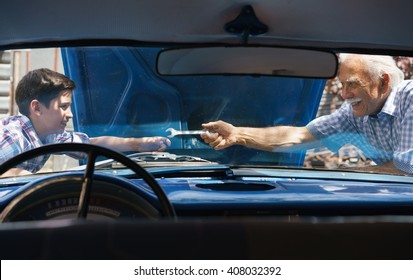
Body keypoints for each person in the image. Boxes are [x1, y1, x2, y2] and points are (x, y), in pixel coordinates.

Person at [201, 54, 413, 175]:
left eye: (353, 85)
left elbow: (407, 167)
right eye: (342, 85)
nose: (344, 94)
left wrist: (352, 173)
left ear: (383, 81)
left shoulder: (410, 97)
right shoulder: (355, 113)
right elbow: (300, 137)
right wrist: (238, 134)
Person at [0, 68, 171, 176]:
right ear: (37, 108)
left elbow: (90, 144)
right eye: (64, 106)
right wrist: (17, 174)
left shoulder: (48, 135)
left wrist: (138, 144)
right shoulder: (12, 139)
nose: (71, 115)